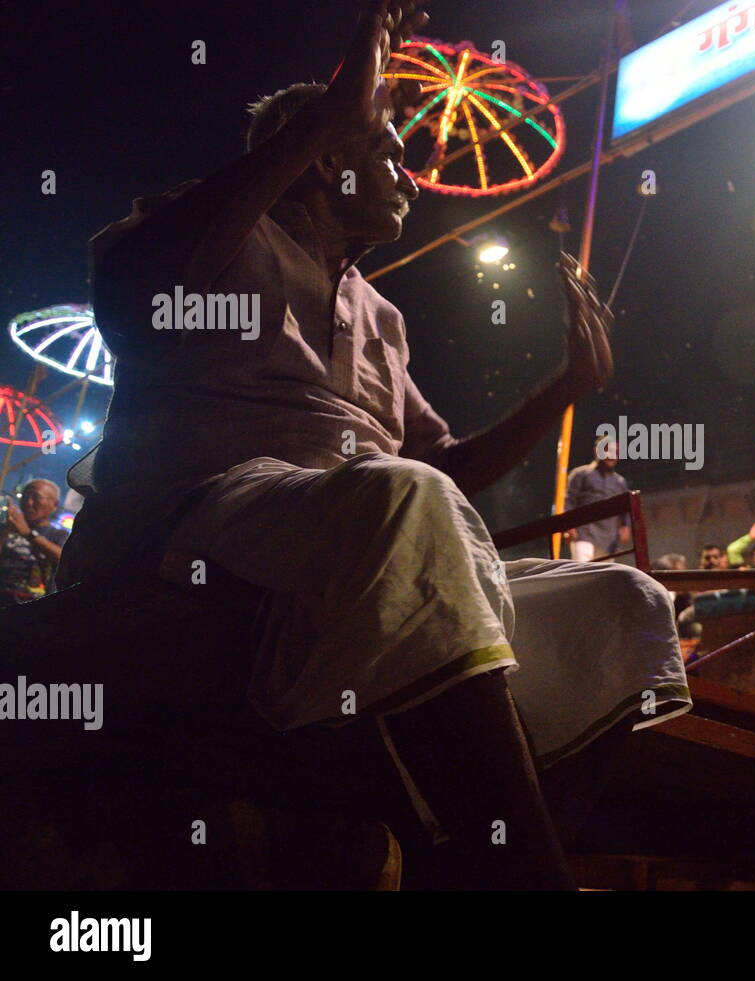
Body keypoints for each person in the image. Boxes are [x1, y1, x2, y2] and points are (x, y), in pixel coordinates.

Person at [56, 0, 690, 890]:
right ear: (324, 158)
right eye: (387, 150)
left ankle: (482, 866)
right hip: (202, 523)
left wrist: (567, 389)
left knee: (625, 602)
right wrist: (328, 111)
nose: (412, 174)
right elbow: (131, 288)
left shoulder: (381, 315)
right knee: (402, 500)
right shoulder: (223, 238)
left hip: (365, 537)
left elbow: (444, 470)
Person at [0, 479, 70, 607]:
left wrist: (28, 534)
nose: (28, 503)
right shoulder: (6, 528)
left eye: (36, 497)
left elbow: (64, 559)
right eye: (25, 496)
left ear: (54, 504)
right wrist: (6, 529)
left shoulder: (59, 535)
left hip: (32, 608)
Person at [564, 437, 631, 561]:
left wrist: (625, 526)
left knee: (603, 576)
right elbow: (569, 500)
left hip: (609, 539)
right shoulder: (580, 474)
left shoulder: (619, 482)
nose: (612, 455)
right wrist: (569, 525)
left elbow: (624, 509)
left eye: (616, 452)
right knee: (582, 573)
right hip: (583, 533)